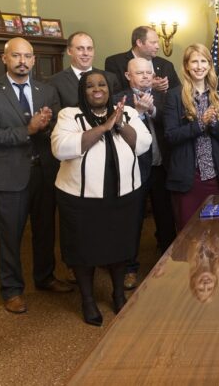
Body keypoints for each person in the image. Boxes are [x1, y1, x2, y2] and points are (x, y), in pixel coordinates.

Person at [0, 37, 72, 315]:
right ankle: (12, 290)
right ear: (5, 59)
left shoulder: (45, 90)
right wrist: (27, 130)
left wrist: (46, 124)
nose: (22, 61)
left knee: (44, 230)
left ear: (33, 60)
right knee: (10, 235)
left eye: (27, 56)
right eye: (16, 56)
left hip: (44, 172)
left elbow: (57, 126)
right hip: (9, 176)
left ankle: (45, 277)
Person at [50, 71, 151, 326]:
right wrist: (104, 127)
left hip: (122, 194)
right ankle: (88, 300)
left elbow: (143, 144)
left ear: (109, 89)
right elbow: (60, 148)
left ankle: (118, 294)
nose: (97, 89)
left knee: (119, 247)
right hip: (80, 198)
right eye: (90, 86)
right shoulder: (69, 115)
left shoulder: (126, 112)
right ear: (82, 91)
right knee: (84, 250)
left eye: (102, 85)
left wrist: (118, 124)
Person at [116, 57, 176, 290]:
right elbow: (117, 133)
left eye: (148, 73)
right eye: (138, 73)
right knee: (134, 220)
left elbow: (169, 124)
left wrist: (151, 109)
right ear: (128, 75)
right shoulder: (118, 99)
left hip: (162, 167)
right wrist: (138, 114)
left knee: (166, 218)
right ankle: (129, 268)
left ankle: (169, 262)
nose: (144, 77)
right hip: (134, 170)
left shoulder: (166, 96)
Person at [164, 43, 219, 231]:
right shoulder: (174, 96)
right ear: (186, 65)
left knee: (217, 231)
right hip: (188, 180)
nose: (199, 66)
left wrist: (214, 123)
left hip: (215, 178)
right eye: (194, 61)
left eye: (203, 61)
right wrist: (201, 123)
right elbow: (171, 136)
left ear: (209, 65)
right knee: (189, 235)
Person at [48, 32, 120, 108]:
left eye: (89, 49)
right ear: (69, 51)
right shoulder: (55, 82)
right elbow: (56, 116)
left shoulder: (110, 78)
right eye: (80, 49)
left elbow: (117, 110)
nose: (86, 53)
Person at [105, 25, 180, 93]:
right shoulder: (115, 62)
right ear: (139, 43)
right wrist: (149, 87)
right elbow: (114, 94)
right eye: (153, 43)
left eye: (157, 43)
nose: (157, 47)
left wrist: (165, 87)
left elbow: (178, 92)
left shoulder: (166, 65)